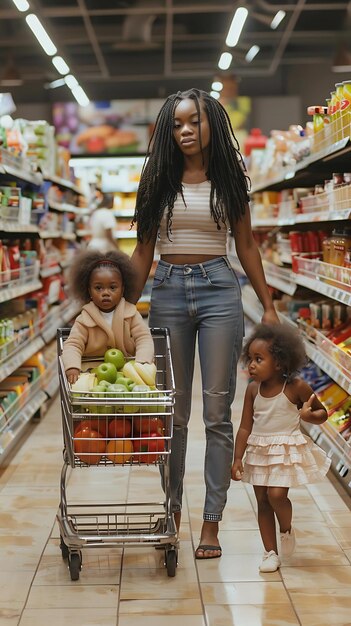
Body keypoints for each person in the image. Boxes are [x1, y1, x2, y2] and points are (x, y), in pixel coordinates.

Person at [130, 88, 279, 560]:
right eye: (176, 124)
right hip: (169, 290)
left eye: (194, 121)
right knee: (173, 413)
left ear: (212, 122)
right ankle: (172, 512)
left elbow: (247, 244)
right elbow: (143, 251)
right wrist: (116, 310)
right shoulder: (157, 179)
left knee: (218, 414)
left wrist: (268, 305)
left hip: (219, 289)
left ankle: (210, 523)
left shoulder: (230, 178)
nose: (185, 130)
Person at [232, 323, 331, 572]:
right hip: (259, 451)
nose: (251, 365)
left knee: (276, 495)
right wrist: (237, 458)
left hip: (284, 450)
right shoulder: (253, 390)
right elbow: (245, 427)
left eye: (258, 359)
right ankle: (270, 553)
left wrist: (309, 416)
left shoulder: (296, 387)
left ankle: (286, 528)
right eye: (250, 358)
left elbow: (322, 412)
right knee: (262, 501)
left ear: (279, 362)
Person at [62, 249, 154, 384]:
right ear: (89, 290)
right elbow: (73, 344)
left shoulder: (131, 314)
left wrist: (142, 363)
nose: (105, 293)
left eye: (112, 287)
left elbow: (143, 338)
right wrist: (72, 366)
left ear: (122, 289)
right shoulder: (84, 319)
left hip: (127, 373)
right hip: (93, 374)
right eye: (98, 288)